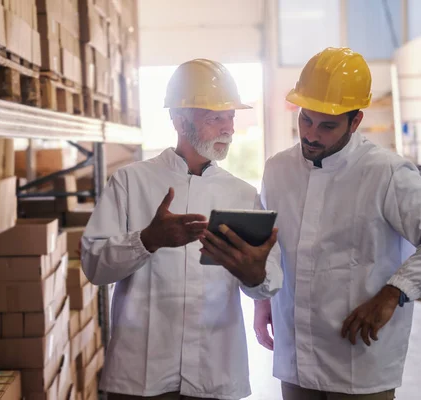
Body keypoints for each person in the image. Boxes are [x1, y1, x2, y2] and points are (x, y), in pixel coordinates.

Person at [253, 47, 421, 400]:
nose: (311, 135)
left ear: (355, 122)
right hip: (296, 351)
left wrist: (394, 292)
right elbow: (270, 245)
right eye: (305, 119)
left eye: (327, 126)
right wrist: (262, 301)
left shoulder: (384, 173)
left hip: (358, 359)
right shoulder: (278, 170)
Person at [81, 58, 283, 400]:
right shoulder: (131, 183)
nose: (228, 128)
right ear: (178, 120)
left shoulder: (243, 195)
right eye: (214, 118)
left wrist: (255, 275)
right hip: (140, 377)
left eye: (231, 116)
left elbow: (269, 283)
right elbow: (94, 267)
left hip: (214, 375)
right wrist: (147, 240)